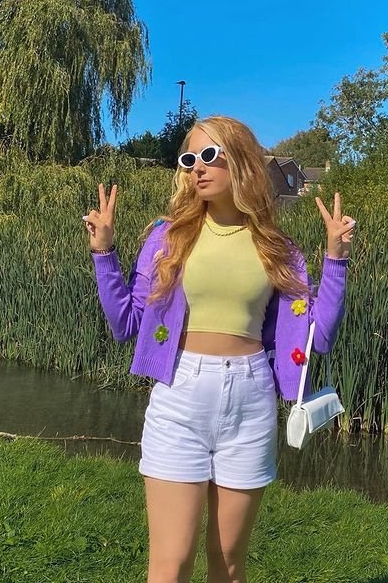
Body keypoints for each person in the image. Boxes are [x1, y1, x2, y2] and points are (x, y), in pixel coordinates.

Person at [82, 115, 354, 583]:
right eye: (189, 159)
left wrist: (336, 259)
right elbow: (125, 324)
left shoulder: (278, 248)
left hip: (251, 399)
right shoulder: (169, 237)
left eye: (209, 156)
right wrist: (104, 252)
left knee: (227, 563)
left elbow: (320, 336)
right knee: (171, 563)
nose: (197, 168)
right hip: (180, 394)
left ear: (241, 160)